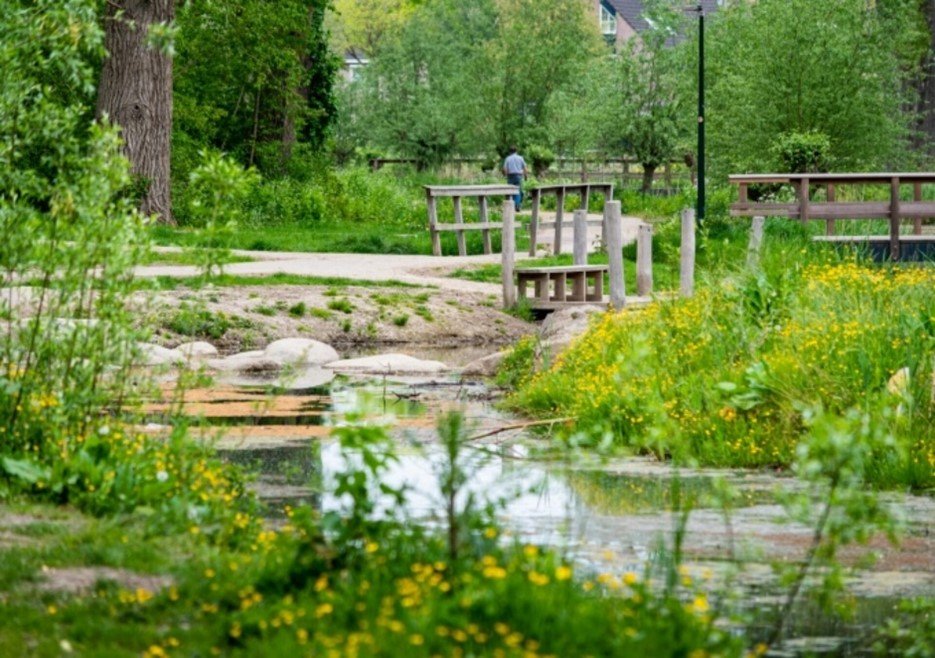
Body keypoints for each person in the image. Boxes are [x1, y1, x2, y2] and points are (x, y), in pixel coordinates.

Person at [502, 146, 528, 211]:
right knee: (518, 191)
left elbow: (504, 168)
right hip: (518, 176)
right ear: (516, 151)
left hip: (510, 176)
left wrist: (505, 175)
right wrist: (525, 176)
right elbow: (525, 168)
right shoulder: (520, 158)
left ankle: (511, 206)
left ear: (510, 152)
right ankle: (517, 205)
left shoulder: (508, 158)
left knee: (510, 191)